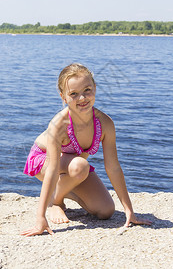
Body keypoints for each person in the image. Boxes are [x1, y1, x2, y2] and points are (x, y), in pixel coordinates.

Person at [21, 63, 152, 236]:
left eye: (87, 90)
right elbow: (52, 169)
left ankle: (66, 193)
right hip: (45, 161)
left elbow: (113, 167)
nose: (82, 98)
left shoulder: (105, 123)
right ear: (63, 97)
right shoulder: (59, 125)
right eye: (73, 94)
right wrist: (41, 217)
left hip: (73, 166)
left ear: (95, 88)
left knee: (105, 211)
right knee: (80, 166)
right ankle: (55, 201)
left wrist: (129, 211)